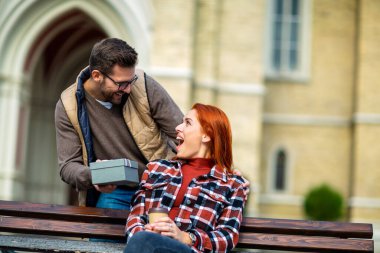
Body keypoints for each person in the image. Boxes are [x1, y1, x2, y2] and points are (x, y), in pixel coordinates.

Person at [54, 38, 183, 210]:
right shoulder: (68, 105)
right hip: (116, 192)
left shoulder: (143, 85)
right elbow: (68, 166)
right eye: (121, 84)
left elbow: (181, 133)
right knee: (101, 229)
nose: (128, 89)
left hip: (160, 184)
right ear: (97, 76)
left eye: (131, 80)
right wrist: (95, 176)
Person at [125, 103, 249, 253]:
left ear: (207, 134)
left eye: (188, 123)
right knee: (143, 240)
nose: (178, 127)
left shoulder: (233, 184)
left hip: (190, 250)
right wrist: (146, 233)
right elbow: (135, 216)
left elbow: (227, 237)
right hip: (148, 246)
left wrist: (185, 237)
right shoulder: (156, 169)